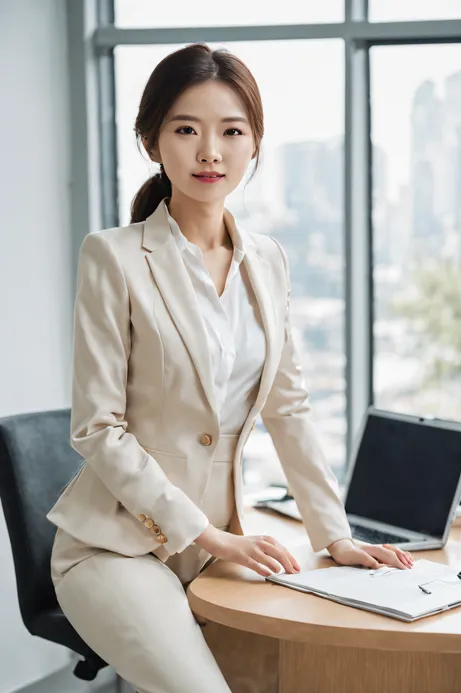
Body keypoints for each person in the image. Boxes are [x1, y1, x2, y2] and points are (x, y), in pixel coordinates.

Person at [47, 43, 413, 693]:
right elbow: (97, 428)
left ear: (254, 145)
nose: (209, 151)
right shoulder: (114, 256)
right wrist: (209, 534)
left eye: (231, 131)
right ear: (151, 141)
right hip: (117, 544)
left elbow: (290, 407)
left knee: (311, 670)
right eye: (186, 129)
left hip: (225, 542)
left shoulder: (267, 259)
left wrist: (336, 534)